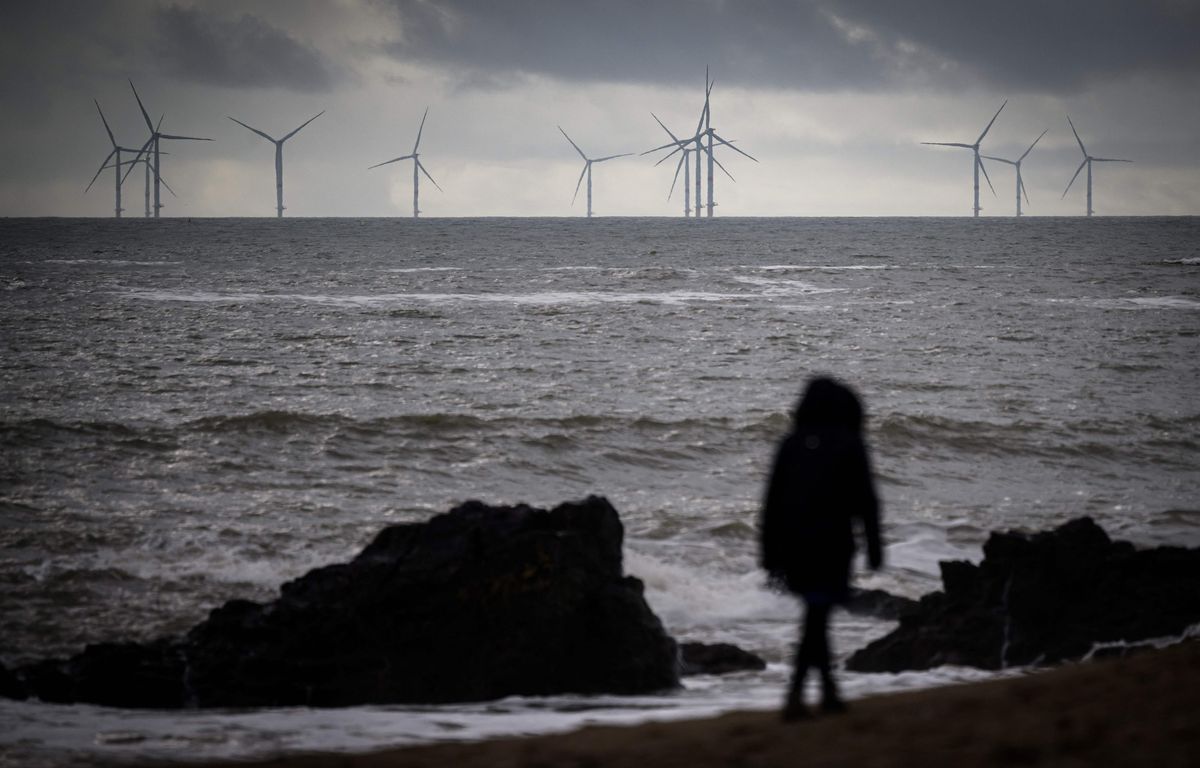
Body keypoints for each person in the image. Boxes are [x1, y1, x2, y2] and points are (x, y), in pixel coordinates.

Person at [760, 376, 882, 720]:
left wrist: (769, 554)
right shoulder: (850, 444)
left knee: (816, 616)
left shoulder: (791, 444)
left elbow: (772, 503)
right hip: (833, 547)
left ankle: (822, 692)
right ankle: (802, 694)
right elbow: (866, 501)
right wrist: (874, 547)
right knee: (817, 617)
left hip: (795, 547)